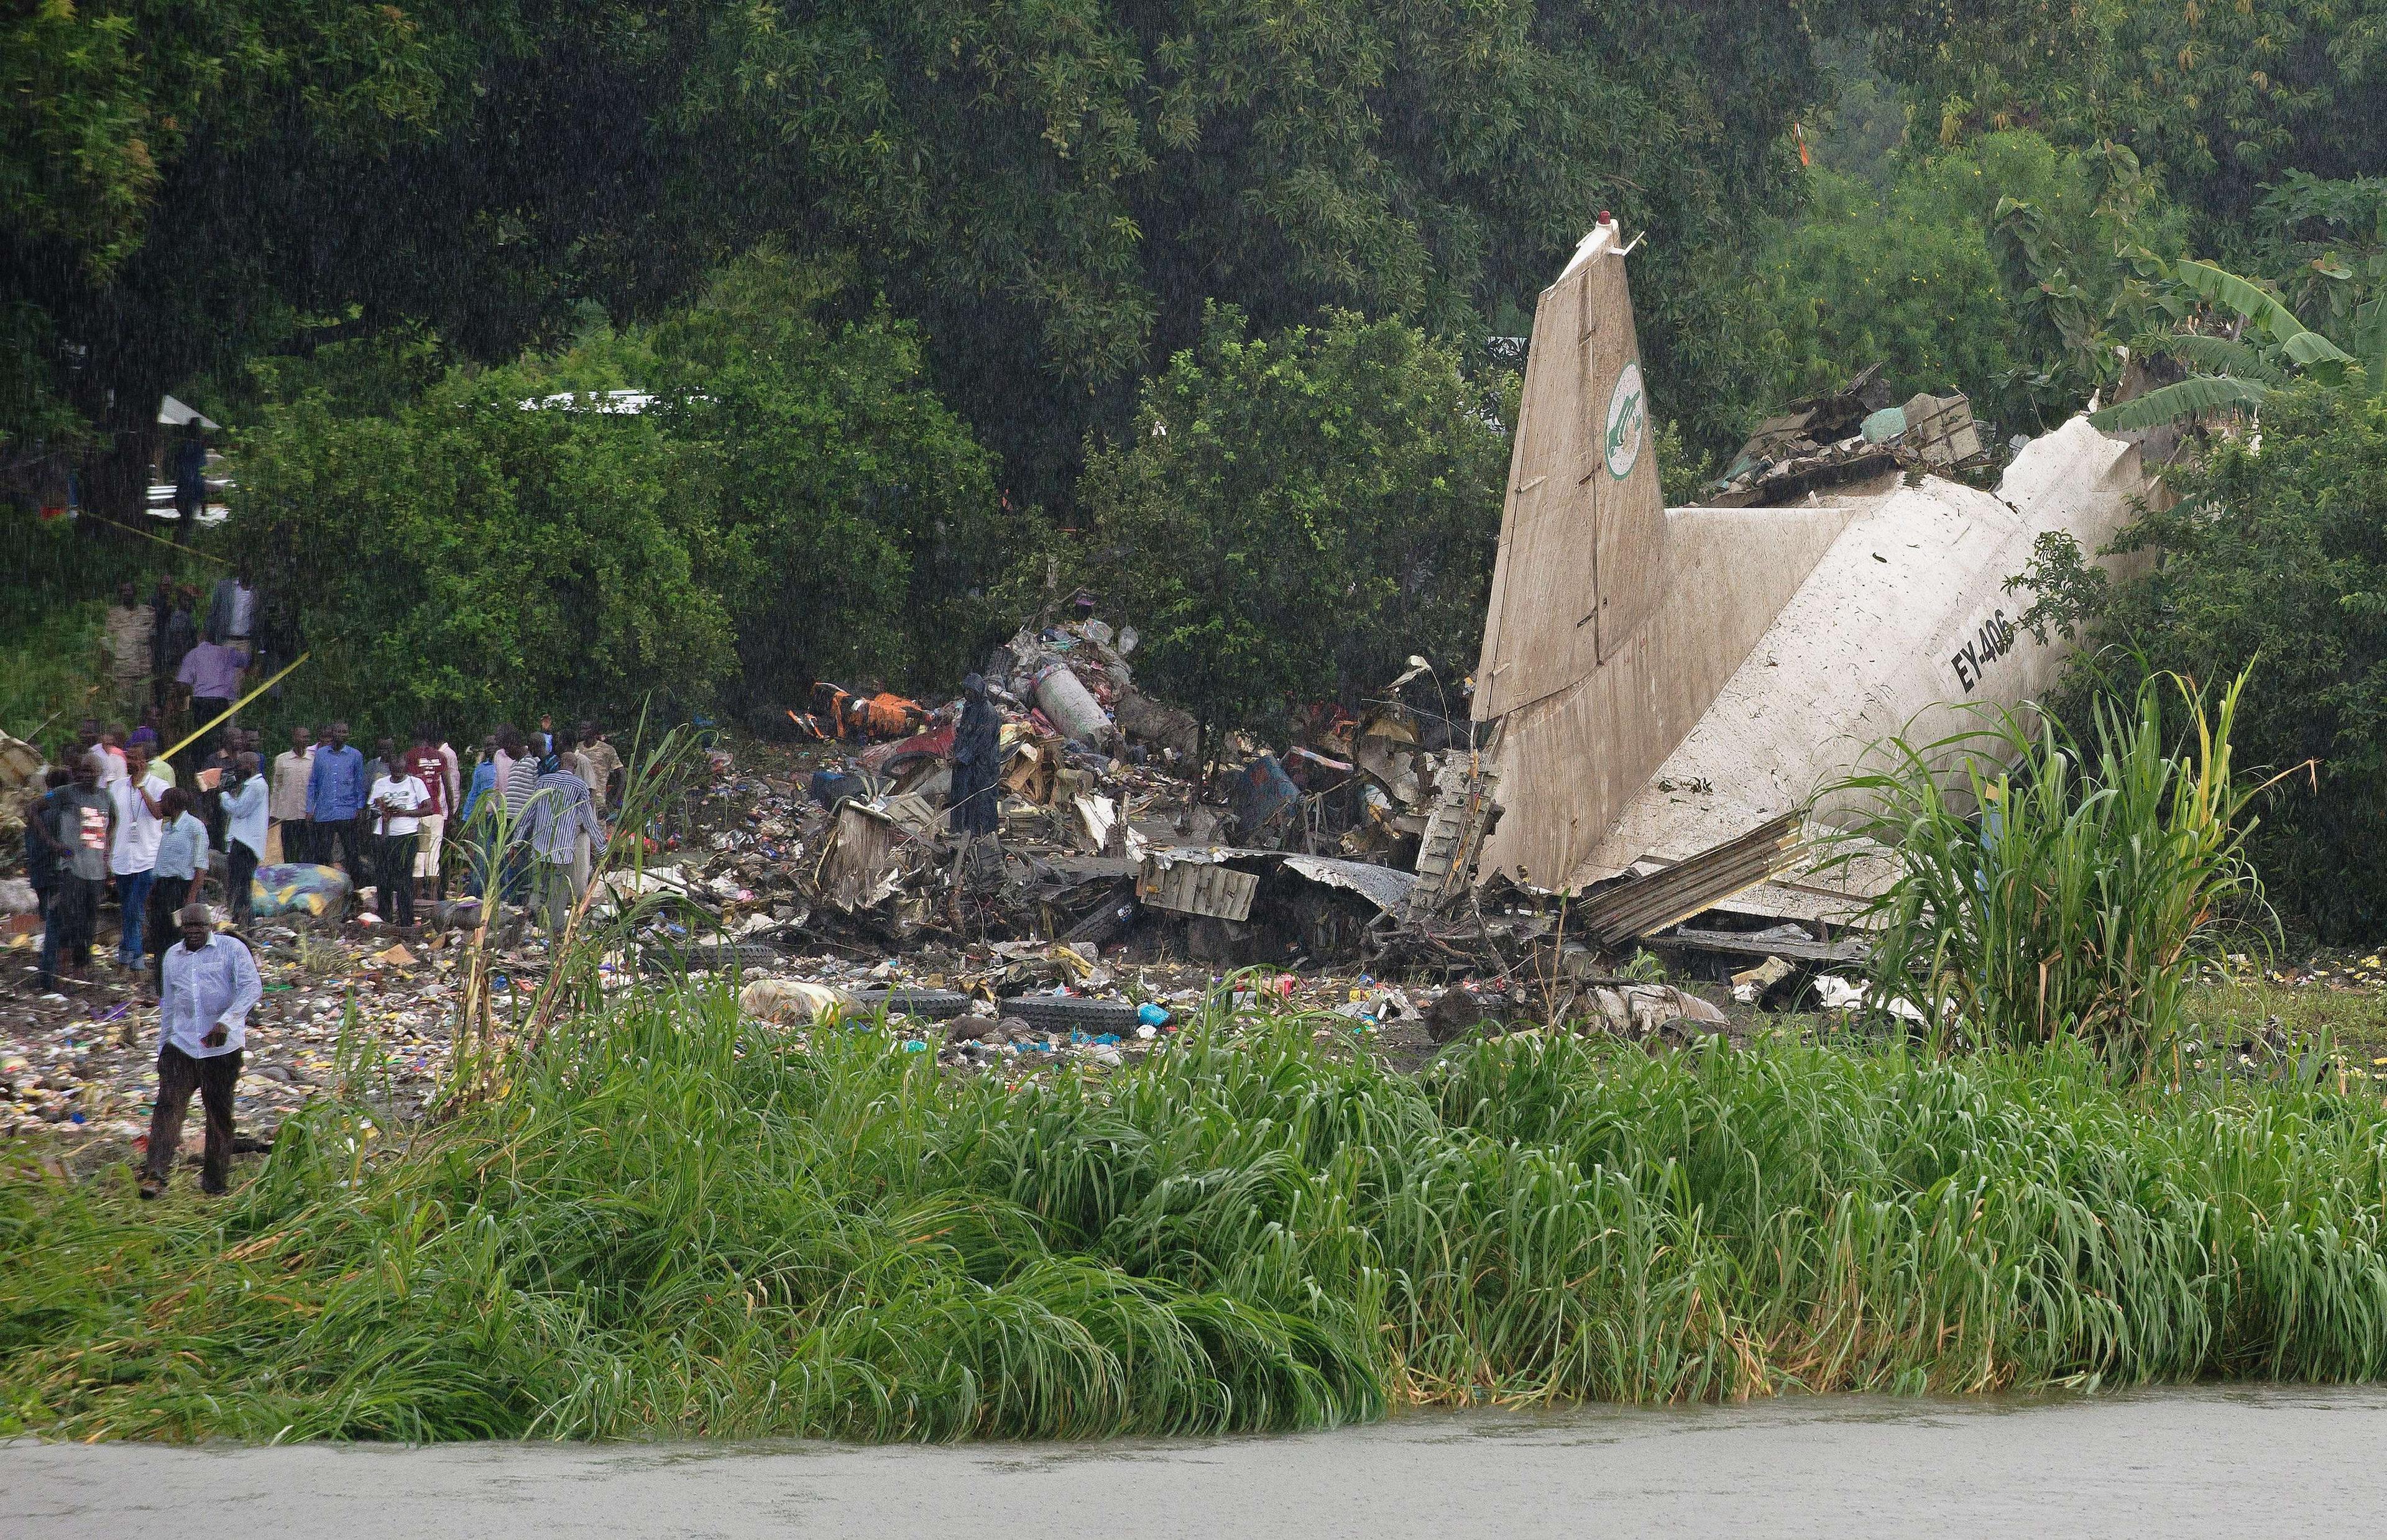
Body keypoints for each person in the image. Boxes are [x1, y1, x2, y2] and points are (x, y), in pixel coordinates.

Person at [141, 905, 260, 1200]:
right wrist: (162, 1047)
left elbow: (251, 988)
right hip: (182, 1045)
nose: (194, 931)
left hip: (221, 1048)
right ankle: (155, 1175)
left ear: (210, 926)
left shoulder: (231, 949)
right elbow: (169, 1003)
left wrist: (227, 1021)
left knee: (218, 1114)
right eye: (188, 926)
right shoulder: (172, 956)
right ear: (182, 928)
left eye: (200, 926)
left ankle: (214, 1184)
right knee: (168, 1108)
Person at [42, 756, 113, 989]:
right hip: (72, 869)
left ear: (100, 773)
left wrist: (106, 853)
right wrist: (53, 844)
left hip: (96, 872)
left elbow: (113, 824)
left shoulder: (106, 797)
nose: (85, 775)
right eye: (82, 771)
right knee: (69, 921)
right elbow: (33, 809)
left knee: (88, 923)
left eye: (90, 771)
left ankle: (81, 973)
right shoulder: (65, 793)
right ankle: (63, 974)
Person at [522, 749, 605, 937]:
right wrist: (602, 848)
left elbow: (528, 814)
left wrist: (518, 841)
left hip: (539, 847)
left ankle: (530, 923)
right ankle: (556, 928)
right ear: (575, 768)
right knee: (559, 891)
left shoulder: (544, 781)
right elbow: (589, 821)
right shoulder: (580, 786)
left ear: (560, 763)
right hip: (563, 850)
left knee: (539, 887)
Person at [108, 743, 169, 969]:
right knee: (127, 908)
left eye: (135, 758)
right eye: (128, 757)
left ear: (145, 761)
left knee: (135, 907)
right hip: (123, 857)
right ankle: (128, 953)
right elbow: (111, 821)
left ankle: (136, 955)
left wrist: (142, 787)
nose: (130, 762)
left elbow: (158, 813)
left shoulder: (159, 785)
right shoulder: (116, 787)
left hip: (149, 857)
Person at [148, 787, 209, 988]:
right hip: (163, 887)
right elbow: (162, 863)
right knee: (160, 935)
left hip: (181, 888)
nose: (160, 805)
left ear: (173, 805)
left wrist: (190, 899)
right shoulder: (167, 827)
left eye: (163, 801)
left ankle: (183, 982)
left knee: (179, 937)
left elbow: (200, 865)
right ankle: (162, 984)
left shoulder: (194, 827)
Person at [366, 748, 431, 927]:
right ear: (390, 768)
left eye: (401, 771)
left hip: (407, 835)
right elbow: (371, 809)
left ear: (406, 768)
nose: (398, 774)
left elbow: (428, 808)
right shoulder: (380, 784)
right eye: (395, 771)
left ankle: (406, 920)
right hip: (384, 835)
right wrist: (382, 811)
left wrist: (406, 813)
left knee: (404, 880)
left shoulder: (415, 783)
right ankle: (385, 917)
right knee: (383, 878)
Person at [24, 768, 70, 992]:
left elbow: (31, 847)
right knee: (57, 924)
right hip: (57, 875)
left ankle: (51, 972)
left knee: (52, 922)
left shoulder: (39, 811)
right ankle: (50, 975)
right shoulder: (61, 810)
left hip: (41, 873)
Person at [947, 672, 1003, 843]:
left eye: (971, 691)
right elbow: (964, 734)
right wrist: (955, 749)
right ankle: (963, 833)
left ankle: (986, 837)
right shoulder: (969, 708)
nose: (968, 694)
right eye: (966, 691)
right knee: (962, 798)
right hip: (968, 764)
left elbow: (981, 742)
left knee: (983, 801)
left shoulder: (988, 712)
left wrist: (962, 757)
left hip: (984, 765)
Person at [305, 721, 367, 875]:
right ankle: (323, 885)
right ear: (332, 733)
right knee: (322, 853)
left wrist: (360, 807)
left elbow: (359, 783)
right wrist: (309, 808)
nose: (341, 735)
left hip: (347, 811)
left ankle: (355, 887)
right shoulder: (320, 754)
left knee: (352, 852)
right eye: (338, 732)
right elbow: (313, 782)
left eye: (344, 732)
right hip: (324, 812)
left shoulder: (355, 755)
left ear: (348, 735)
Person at [175, 635, 248, 761]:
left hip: (200, 701)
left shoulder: (193, 654)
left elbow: (183, 683)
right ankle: (221, 762)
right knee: (221, 735)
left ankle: (201, 764)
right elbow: (248, 661)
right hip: (221, 701)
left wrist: (181, 706)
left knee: (200, 735)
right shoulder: (228, 653)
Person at [402, 725, 450, 902]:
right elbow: (448, 786)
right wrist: (450, 813)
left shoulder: (410, 756)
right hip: (437, 812)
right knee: (434, 857)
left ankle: (417, 900)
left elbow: (408, 785)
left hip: (419, 812)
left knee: (419, 857)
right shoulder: (440, 756)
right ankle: (434, 899)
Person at [223, 751, 267, 925]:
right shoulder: (249, 785)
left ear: (250, 766)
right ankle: (240, 921)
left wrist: (223, 795)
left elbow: (239, 810)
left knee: (242, 887)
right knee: (237, 886)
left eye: (240, 766)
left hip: (246, 844)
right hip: (241, 841)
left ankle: (246, 924)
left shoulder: (257, 786)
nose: (237, 771)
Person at [105, 582, 152, 712]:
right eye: (124, 591)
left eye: (129, 590)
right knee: (124, 707)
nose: (127, 593)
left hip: (144, 669)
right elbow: (108, 643)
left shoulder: (147, 613)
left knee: (144, 708)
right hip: (124, 671)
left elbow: (152, 638)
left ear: (135, 592)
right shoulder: (114, 615)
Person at [270, 725, 313, 864]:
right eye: (302, 736)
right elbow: (277, 787)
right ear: (294, 738)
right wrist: (274, 812)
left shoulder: (313, 760)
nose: (305, 740)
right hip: (287, 814)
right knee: (288, 849)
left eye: (307, 737)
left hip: (306, 814)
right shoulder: (282, 760)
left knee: (306, 850)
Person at [205, 561, 262, 649]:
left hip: (246, 642)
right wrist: (207, 633)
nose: (246, 573)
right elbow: (213, 611)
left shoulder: (256, 592)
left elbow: (258, 617)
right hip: (225, 640)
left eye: (249, 570)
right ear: (240, 570)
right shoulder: (225, 587)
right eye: (244, 569)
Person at [170, 421, 208, 531]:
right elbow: (200, 476)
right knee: (187, 525)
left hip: (186, 493)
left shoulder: (186, 448)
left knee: (186, 524)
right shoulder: (197, 450)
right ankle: (181, 541)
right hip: (191, 494)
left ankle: (179, 541)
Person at [578, 721, 623, 810]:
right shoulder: (577, 748)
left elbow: (622, 775)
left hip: (598, 804)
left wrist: (612, 800)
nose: (582, 731)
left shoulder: (607, 750)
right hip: (578, 803)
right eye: (581, 729)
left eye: (585, 729)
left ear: (594, 731)